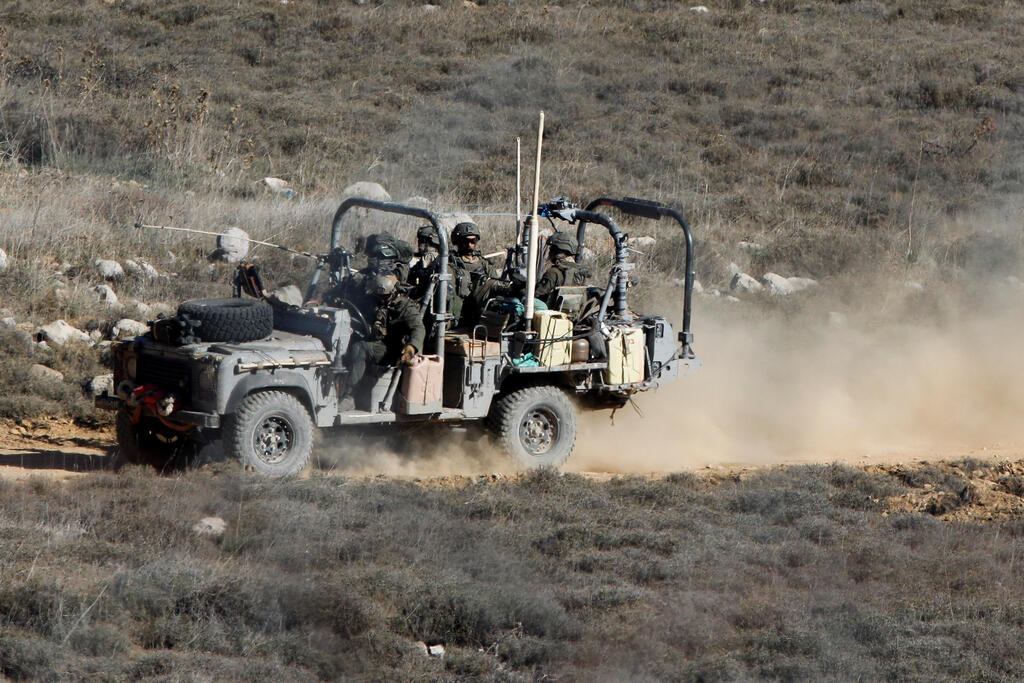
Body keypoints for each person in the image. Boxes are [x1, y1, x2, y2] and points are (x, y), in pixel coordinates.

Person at [339, 273, 425, 400]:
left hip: (391, 349)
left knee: (360, 348)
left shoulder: (405, 307)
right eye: (379, 296)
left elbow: (419, 328)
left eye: (385, 297)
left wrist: (411, 347)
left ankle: (349, 396)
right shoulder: (374, 301)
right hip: (374, 341)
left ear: (395, 291)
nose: (382, 299)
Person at [449, 221, 499, 327]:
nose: (470, 245)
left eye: (473, 241)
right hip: (459, 313)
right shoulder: (451, 263)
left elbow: (495, 285)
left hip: (479, 313)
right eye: (465, 241)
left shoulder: (484, 263)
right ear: (457, 242)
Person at [534, 231, 588, 306]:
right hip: (574, 316)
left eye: (551, 249)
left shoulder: (553, 273)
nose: (549, 252)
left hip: (551, 314)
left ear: (556, 251)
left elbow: (537, 296)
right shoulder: (581, 272)